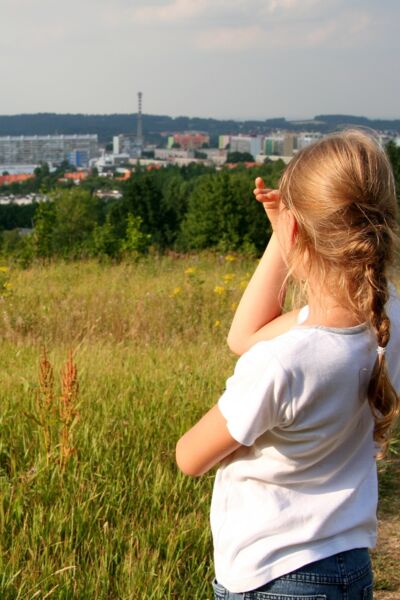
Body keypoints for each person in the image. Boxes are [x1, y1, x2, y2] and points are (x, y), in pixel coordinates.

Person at [175, 130, 400, 599]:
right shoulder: (387, 320)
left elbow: (190, 457)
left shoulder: (285, 361)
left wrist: (282, 237)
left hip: (273, 576)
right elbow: (245, 338)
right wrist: (290, 226)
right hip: (347, 567)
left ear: (295, 232)